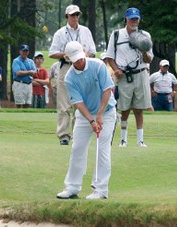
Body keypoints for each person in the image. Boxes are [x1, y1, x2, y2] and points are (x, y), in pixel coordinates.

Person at [56, 41, 116, 200]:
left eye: (81, 57)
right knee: (77, 148)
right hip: (84, 115)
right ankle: (72, 187)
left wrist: (100, 115)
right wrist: (91, 120)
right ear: (68, 58)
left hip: (107, 112)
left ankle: (101, 190)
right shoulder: (69, 78)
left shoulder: (98, 66)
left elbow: (107, 90)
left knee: (102, 149)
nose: (80, 61)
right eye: (75, 59)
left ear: (84, 52)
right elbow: (78, 102)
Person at [105, 7, 153, 147]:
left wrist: (143, 51)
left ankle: (140, 140)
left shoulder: (145, 35)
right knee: (124, 109)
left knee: (139, 109)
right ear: (126, 19)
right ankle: (123, 140)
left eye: (136, 19)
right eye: (131, 19)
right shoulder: (116, 35)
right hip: (124, 76)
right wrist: (116, 69)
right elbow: (109, 57)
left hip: (141, 74)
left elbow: (149, 59)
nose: (134, 21)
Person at [49, 4, 96, 145]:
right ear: (67, 17)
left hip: (83, 68)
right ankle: (63, 135)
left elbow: (93, 50)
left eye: (77, 15)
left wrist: (84, 55)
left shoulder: (85, 31)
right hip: (65, 67)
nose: (75, 17)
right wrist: (66, 55)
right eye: (72, 15)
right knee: (64, 104)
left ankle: (78, 134)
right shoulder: (60, 33)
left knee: (80, 103)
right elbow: (52, 53)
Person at [12, 44, 37, 108]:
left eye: (26, 51)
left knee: (27, 103)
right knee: (19, 103)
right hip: (19, 83)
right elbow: (18, 73)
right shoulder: (16, 61)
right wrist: (29, 72)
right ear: (20, 51)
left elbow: (34, 72)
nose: (25, 53)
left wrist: (27, 72)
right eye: (23, 51)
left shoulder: (30, 61)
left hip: (29, 84)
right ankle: (18, 117)